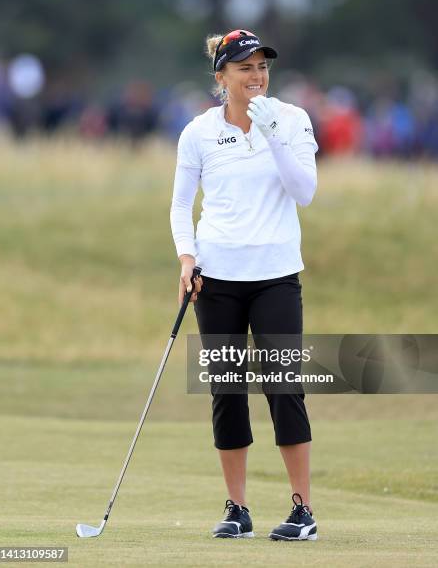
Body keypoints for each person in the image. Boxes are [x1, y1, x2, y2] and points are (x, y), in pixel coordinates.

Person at [170, 29, 318, 541]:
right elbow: (180, 205)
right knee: (226, 392)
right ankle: (237, 508)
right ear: (221, 77)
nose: (256, 77)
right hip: (216, 278)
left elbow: (304, 192)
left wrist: (271, 131)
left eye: (261, 67)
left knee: (284, 389)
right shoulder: (199, 132)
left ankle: (303, 510)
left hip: (275, 275)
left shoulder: (292, 119)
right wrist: (186, 258)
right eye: (244, 68)